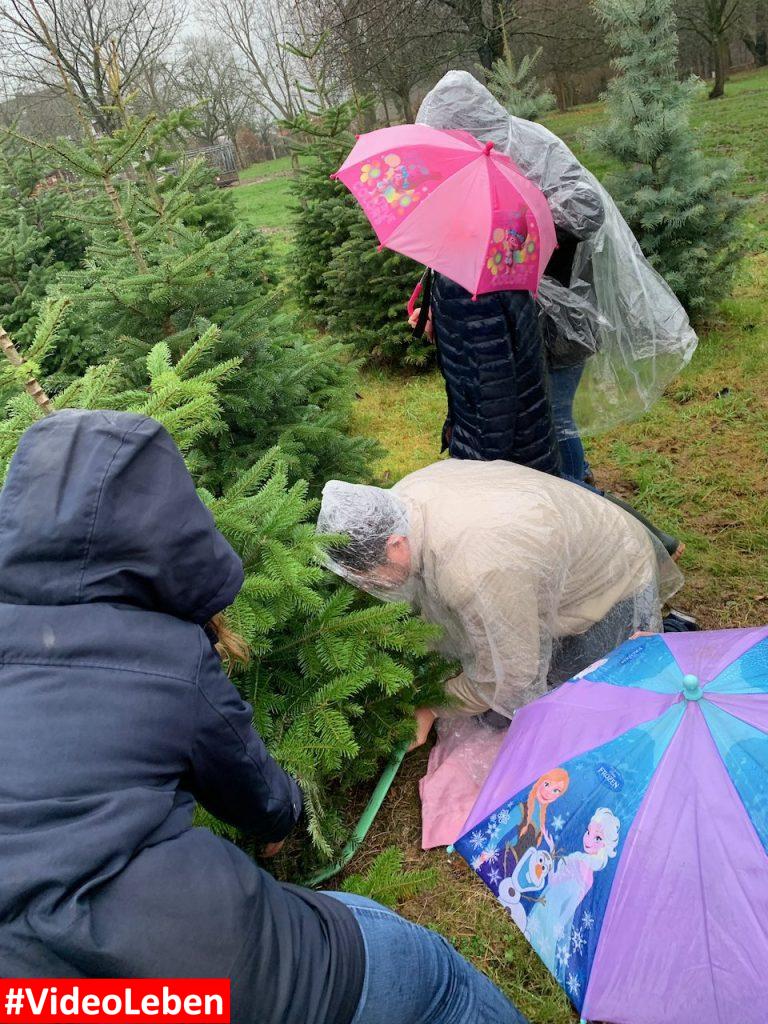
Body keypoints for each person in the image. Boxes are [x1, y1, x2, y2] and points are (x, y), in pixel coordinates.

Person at [0, 409, 526, 1024]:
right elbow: (252, 787)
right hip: (193, 972)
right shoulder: (167, 655)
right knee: (434, 979)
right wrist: (284, 817)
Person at [316, 459, 683, 745]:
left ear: (394, 545)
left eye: (369, 576)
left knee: (533, 712)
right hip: (571, 540)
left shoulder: (475, 569)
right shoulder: (402, 499)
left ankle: (650, 640)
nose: (368, 587)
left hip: (611, 582)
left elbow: (513, 677)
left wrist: (431, 706)